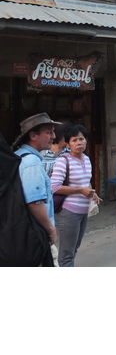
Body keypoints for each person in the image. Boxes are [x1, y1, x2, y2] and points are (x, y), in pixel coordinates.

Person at [12, 112, 61, 266]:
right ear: (33, 135)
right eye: (49, 132)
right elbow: (34, 202)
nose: (53, 136)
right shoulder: (31, 162)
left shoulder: (19, 156)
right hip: (36, 235)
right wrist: (51, 230)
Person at [50, 125, 101, 267]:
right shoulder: (63, 161)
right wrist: (80, 191)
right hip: (69, 212)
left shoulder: (86, 159)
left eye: (81, 139)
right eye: (74, 140)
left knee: (74, 249)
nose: (79, 143)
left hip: (83, 212)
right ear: (67, 144)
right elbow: (54, 187)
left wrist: (92, 193)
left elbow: (86, 182)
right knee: (67, 253)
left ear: (86, 140)